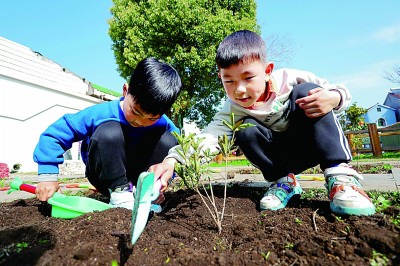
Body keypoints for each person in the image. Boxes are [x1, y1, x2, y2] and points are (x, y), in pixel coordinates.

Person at [150, 30, 375, 216]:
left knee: (307, 92)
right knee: (244, 130)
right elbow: (209, 137)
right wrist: (172, 161)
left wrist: (334, 97)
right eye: (229, 81)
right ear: (221, 78)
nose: (239, 89)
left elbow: (337, 91)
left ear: (267, 71)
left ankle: (341, 178)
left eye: (248, 78)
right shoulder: (233, 108)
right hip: (280, 158)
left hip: (312, 145)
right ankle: (283, 182)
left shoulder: (292, 78)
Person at [33, 57, 182, 209]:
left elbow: (185, 149)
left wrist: (166, 172)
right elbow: (55, 135)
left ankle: (147, 194)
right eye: (135, 111)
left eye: (151, 118)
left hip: (141, 177)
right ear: (125, 90)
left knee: (169, 140)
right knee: (109, 132)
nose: (140, 122)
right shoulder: (100, 114)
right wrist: (47, 177)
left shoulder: (163, 123)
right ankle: (121, 195)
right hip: (106, 175)